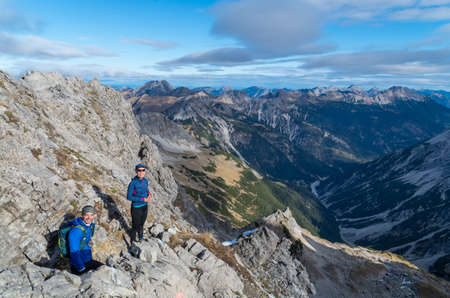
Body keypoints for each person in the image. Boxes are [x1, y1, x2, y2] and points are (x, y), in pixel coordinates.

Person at [68, 205, 103, 275]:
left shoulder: (88, 226)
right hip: (79, 266)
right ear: (82, 215)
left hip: (87, 260)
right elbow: (74, 252)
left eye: (91, 215)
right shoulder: (76, 231)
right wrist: (81, 268)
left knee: (104, 268)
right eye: (86, 215)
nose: (89, 218)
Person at [127, 163, 151, 242]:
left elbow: (146, 190)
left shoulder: (145, 180)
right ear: (136, 171)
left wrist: (149, 194)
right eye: (139, 170)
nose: (141, 172)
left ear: (145, 171)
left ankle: (141, 238)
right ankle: (132, 243)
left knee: (142, 224)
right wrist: (142, 199)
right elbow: (129, 197)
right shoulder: (133, 183)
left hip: (145, 206)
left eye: (143, 170)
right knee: (135, 226)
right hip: (136, 208)